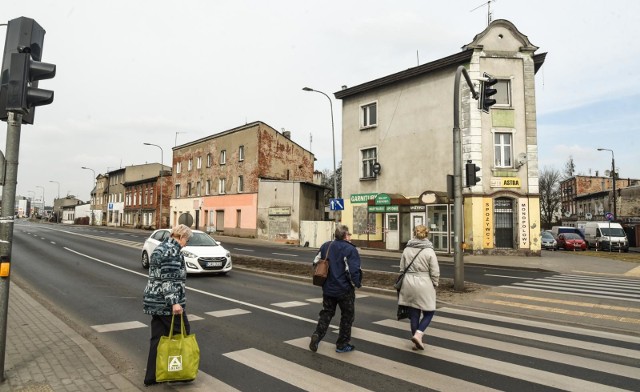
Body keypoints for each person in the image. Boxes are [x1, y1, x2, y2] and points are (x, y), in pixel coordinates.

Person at [143, 224, 194, 387]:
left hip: (155, 300)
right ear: (181, 237)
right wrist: (175, 303)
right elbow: (168, 279)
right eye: (187, 240)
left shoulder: (161, 247)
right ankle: (180, 371)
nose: (187, 243)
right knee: (183, 332)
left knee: (158, 338)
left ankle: (152, 376)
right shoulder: (172, 252)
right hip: (166, 303)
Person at [309, 224, 362, 353]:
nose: (350, 236)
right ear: (344, 236)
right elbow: (353, 271)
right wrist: (357, 283)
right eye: (349, 234)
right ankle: (342, 344)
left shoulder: (326, 246)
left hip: (328, 288)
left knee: (326, 313)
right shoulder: (350, 249)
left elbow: (315, 262)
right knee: (347, 316)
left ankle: (317, 335)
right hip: (344, 290)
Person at [397, 224, 440, 350]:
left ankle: (416, 340)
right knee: (429, 311)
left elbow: (401, 268)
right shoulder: (429, 251)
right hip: (424, 283)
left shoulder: (407, 249)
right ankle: (419, 334)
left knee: (414, 313)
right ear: (426, 234)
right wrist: (435, 283)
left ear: (414, 234)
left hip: (408, 283)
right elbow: (435, 271)